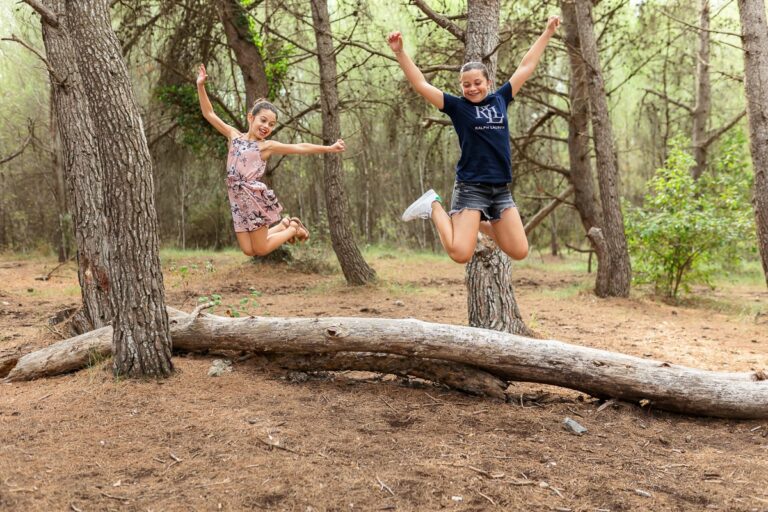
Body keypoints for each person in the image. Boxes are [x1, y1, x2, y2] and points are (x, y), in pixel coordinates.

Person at [387, 16, 561, 264]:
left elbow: (525, 67)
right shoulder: (457, 107)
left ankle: (474, 223)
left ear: (488, 82)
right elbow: (421, 84)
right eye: (466, 85)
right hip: (471, 187)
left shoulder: (500, 98)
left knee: (520, 251)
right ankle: (433, 205)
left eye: (477, 83)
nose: (472, 88)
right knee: (460, 254)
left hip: (500, 189)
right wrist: (400, 52)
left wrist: (547, 33)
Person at [196, 63, 346, 256]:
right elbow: (209, 113)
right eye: (263, 120)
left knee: (261, 249)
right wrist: (201, 86)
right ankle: (284, 224)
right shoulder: (233, 135)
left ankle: (293, 228)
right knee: (249, 250)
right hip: (236, 199)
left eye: (272, 124)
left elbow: (300, 148)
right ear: (251, 117)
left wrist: (329, 148)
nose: (267, 126)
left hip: (254, 198)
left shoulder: (266, 146)